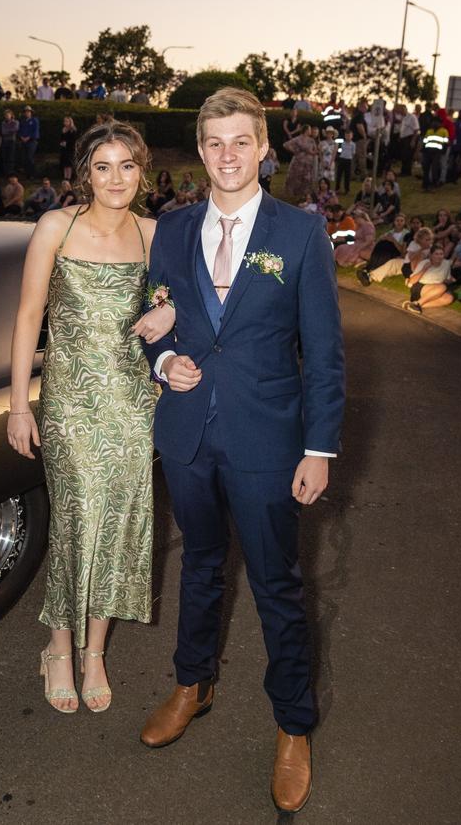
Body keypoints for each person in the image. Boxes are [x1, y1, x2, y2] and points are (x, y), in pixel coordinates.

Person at [138, 87, 344, 815]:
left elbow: (322, 352)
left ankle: (293, 723)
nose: (228, 155)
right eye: (214, 143)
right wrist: (166, 364)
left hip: (267, 440)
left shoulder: (300, 234)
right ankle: (193, 682)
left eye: (241, 141)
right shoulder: (170, 229)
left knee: (276, 586)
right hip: (189, 434)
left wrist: (318, 447)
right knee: (198, 564)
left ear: (264, 148)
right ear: (200, 152)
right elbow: (155, 317)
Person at [7, 120, 174, 715]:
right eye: (103, 167)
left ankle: (95, 650)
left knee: (123, 522)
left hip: (134, 406)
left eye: (127, 166)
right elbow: (30, 316)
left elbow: (193, 299)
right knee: (78, 519)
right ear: (85, 173)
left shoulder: (156, 234)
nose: (116, 179)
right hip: (71, 406)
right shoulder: (57, 226)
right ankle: (58, 647)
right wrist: (19, 404)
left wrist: (170, 310)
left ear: (142, 170)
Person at [403, 244, 455, 314]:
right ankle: (417, 304)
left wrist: (451, 280)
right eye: (436, 254)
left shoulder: (446, 264)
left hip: (436, 288)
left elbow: (447, 279)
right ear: (431, 255)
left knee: (449, 298)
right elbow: (412, 281)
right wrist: (424, 269)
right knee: (442, 287)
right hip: (420, 287)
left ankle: (414, 305)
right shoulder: (424, 263)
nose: (439, 256)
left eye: (441, 254)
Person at [283, 124, 318, 198]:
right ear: (306, 130)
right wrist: (294, 151)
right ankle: (293, 192)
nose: (310, 131)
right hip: (299, 161)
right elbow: (286, 144)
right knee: (296, 177)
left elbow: (315, 150)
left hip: (308, 162)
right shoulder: (298, 138)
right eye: (309, 129)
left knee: (306, 178)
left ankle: (304, 193)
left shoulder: (311, 140)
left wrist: (313, 153)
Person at [19, 105, 40, 179]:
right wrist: (21, 137)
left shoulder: (34, 120)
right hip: (23, 141)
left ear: (31, 112)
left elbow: (35, 131)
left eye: (28, 112)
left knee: (30, 157)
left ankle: (32, 174)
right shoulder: (23, 121)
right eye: (25, 112)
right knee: (24, 158)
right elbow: (20, 130)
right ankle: (27, 174)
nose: (27, 113)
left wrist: (29, 137)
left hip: (32, 141)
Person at [350, 101, 368, 180]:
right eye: (365, 107)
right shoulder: (360, 116)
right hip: (359, 139)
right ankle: (363, 175)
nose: (366, 109)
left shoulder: (355, 115)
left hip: (353, 139)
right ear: (361, 107)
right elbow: (359, 126)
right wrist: (364, 136)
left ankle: (352, 175)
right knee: (361, 157)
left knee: (353, 158)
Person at [335, 129, 356, 195]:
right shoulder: (343, 143)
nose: (348, 137)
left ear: (352, 136)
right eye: (346, 135)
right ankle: (337, 189)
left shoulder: (353, 144)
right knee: (339, 175)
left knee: (347, 176)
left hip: (348, 160)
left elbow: (353, 153)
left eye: (349, 135)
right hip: (342, 159)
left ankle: (347, 190)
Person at [0, 109, 19, 176]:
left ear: (11, 115)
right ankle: (5, 172)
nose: (7, 116)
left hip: (12, 141)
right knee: (5, 157)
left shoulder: (15, 122)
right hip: (5, 141)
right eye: (6, 115)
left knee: (11, 157)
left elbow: (15, 129)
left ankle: (10, 172)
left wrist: (8, 131)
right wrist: (10, 131)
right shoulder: (3, 123)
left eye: (8, 115)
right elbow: (3, 132)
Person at [59, 116, 77, 181]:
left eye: (67, 121)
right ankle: (65, 176)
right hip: (64, 149)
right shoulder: (63, 129)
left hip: (70, 149)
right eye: (64, 121)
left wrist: (67, 143)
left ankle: (69, 177)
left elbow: (73, 140)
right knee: (64, 163)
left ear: (70, 122)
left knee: (68, 164)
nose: (65, 123)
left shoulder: (73, 130)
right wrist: (62, 142)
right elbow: (61, 138)